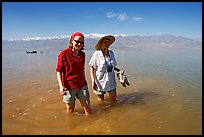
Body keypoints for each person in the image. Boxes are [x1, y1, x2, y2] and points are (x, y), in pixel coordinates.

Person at [56, 32, 92, 115]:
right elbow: (59, 71)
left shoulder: (82, 54)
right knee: (70, 110)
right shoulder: (64, 54)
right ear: (72, 41)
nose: (79, 44)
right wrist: (61, 87)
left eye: (82, 42)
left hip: (82, 85)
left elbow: (82, 70)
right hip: (69, 86)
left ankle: (90, 126)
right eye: (77, 41)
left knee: (88, 109)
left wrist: (85, 82)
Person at [89, 35, 123, 104]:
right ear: (101, 44)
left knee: (113, 100)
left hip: (111, 81)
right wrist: (93, 81)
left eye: (108, 42)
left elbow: (112, 66)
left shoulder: (111, 53)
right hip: (99, 82)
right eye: (105, 42)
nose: (107, 43)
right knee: (101, 101)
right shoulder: (97, 54)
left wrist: (119, 70)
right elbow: (92, 68)